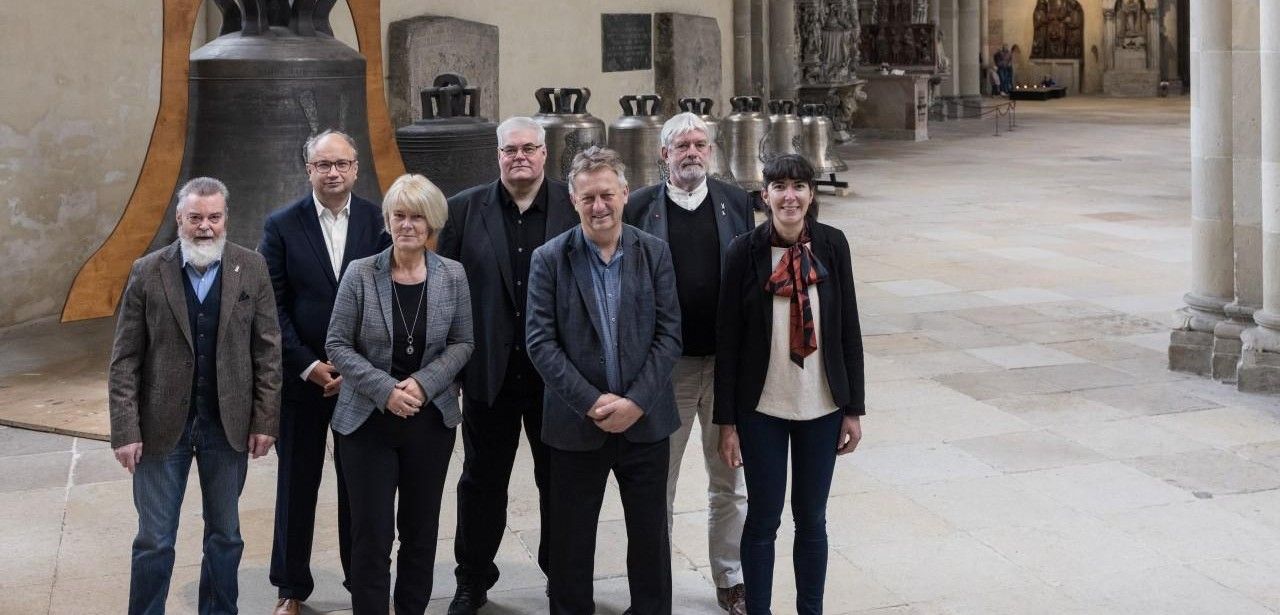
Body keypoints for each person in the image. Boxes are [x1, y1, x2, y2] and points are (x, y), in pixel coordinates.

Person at [108, 176, 281, 615]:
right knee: (154, 539)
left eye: (214, 217)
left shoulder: (251, 267)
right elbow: (124, 360)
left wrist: (264, 421)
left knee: (226, 535)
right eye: (195, 217)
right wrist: (125, 431)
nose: (205, 226)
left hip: (229, 426)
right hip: (160, 429)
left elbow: (268, 351)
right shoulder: (147, 271)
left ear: (226, 219)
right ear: (180, 219)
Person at [525, 147, 682, 615]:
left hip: (646, 423)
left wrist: (635, 402)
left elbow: (669, 333)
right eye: (588, 196)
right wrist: (593, 403)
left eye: (607, 195)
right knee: (571, 544)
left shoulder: (653, 252)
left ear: (625, 195)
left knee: (651, 540)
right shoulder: (549, 259)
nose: (599, 206)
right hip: (576, 427)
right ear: (573, 200)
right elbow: (540, 343)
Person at [437, 116, 578, 614]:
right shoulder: (463, 210)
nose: (520, 156)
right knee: (481, 482)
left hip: (557, 379)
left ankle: (561, 575)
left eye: (530, 148)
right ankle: (472, 579)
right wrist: (448, 370)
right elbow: (445, 292)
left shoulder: (573, 204)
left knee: (558, 482)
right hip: (487, 374)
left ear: (545, 153)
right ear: (497, 155)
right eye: (510, 149)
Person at [714, 154, 865, 615]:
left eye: (799, 186)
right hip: (762, 410)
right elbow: (729, 341)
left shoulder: (833, 245)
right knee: (762, 518)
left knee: (812, 520)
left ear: (811, 194)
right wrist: (727, 422)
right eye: (779, 187)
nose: (789, 196)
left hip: (821, 406)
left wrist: (853, 408)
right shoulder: (744, 251)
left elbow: (848, 330)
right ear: (765, 197)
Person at [624, 111, 755, 615]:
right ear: (664, 155)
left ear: (712, 151)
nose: (692, 152)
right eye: (682, 145)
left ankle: (730, 577)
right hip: (667, 369)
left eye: (700, 143)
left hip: (726, 367)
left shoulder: (735, 202)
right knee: (660, 482)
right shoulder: (639, 207)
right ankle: (657, 582)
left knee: (729, 480)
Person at [325, 173, 474, 615]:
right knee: (370, 534)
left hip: (429, 423)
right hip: (366, 422)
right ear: (387, 221)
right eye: (399, 216)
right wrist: (386, 389)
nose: (407, 225)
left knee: (421, 530)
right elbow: (336, 344)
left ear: (432, 224)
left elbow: (464, 342)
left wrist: (425, 383)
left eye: (417, 217)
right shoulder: (360, 274)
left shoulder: (453, 275)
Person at [260, 129, 391, 615]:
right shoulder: (282, 226)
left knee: (362, 487)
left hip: (364, 377)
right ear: (308, 170)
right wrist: (308, 365)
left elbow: (394, 291)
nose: (333, 173)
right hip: (305, 378)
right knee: (297, 484)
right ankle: (291, 587)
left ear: (356, 168)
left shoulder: (381, 221)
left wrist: (363, 368)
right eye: (323, 165)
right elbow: (272, 306)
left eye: (342, 164)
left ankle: (364, 581)